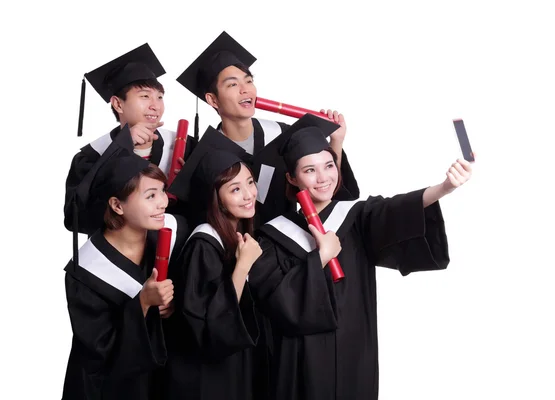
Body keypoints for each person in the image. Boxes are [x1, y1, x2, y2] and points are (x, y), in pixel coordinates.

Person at [248, 114, 474, 400]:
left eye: (329, 165)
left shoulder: (356, 217)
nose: (323, 178)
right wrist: (318, 259)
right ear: (292, 178)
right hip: (299, 361)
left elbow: (395, 210)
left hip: (353, 350)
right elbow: (273, 300)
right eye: (309, 171)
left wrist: (444, 188)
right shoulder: (274, 235)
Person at [176, 31, 359, 224]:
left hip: (291, 240)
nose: (245, 89)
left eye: (249, 81)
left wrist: (336, 141)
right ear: (212, 99)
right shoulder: (204, 155)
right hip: (235, 249)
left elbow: (328, 192)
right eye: (232, 85)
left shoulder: (283, 134)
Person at [62, 126, 188, 400]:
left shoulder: (171, 236)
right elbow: (100, 352)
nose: (164, 203)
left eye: (162, 191)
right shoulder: (86, 271)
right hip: (106, 389)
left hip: (162, 383)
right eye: (150, 196)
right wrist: (143, 303)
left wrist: (173, 305)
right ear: (117, 205)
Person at [163, 130, 266, 399]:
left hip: (230, 369)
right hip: (203, 378)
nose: (248, 194)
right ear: (216, 200)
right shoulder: (203, 244)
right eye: (235, 189)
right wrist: (242, 266)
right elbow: (209, 326)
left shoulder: (235, 238)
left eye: (250, 182)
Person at [65, 43, 197, 234]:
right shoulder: (91, 156)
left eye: (159, 97)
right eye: (144, 96)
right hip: (118, 255)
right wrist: (121, 148)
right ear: (118, 104)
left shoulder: (182, 145)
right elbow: (76, 220)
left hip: (172, 254)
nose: (155, 106)